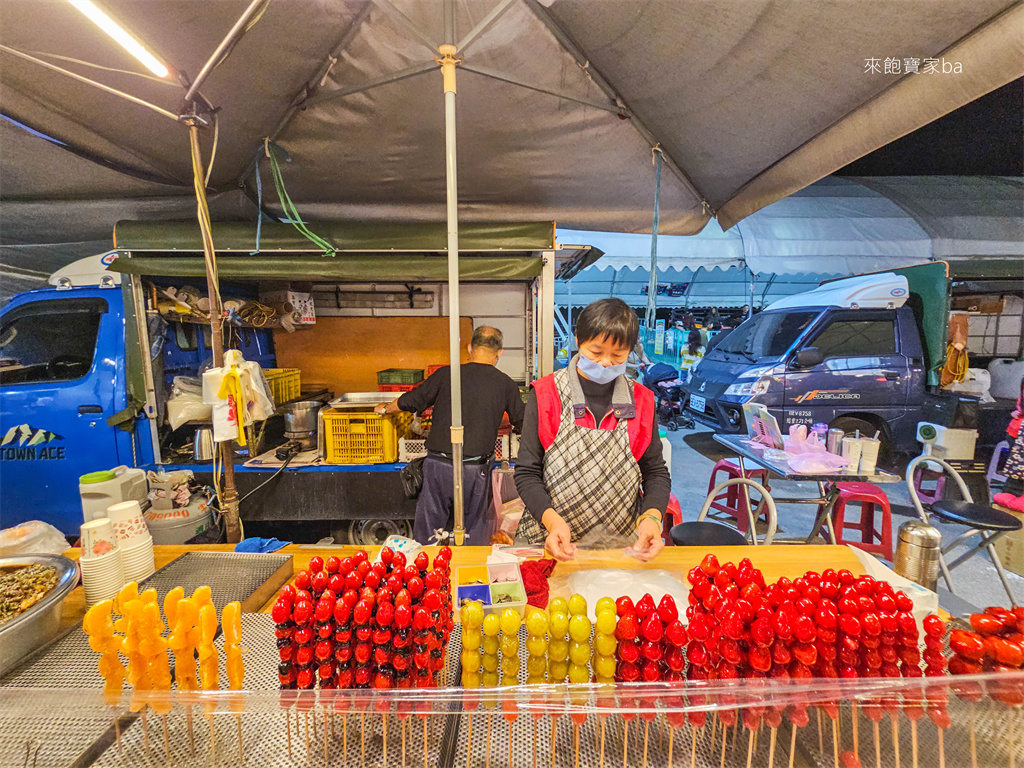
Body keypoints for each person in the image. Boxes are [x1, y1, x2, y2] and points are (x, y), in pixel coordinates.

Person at [514, 298, 671, 562]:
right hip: (549, 543)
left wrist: (652, 518)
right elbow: (527, 472)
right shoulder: (546, 394)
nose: (606, 362)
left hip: (619, 549)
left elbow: (655, 472)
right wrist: (552, 522)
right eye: (596, 352)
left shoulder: (641, 400)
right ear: (578, 340)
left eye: (618, 355)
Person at [376, 326, 525, 545]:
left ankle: (427, 574)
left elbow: (413, 399)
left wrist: (385, 409)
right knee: (473, 532)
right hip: (476, 470)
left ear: (469, 348)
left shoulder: (446, 374)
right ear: (499, 353)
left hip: (439, 467)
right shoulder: (505, 383)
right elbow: (522, 422)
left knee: (429, 534)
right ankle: (470, 574)